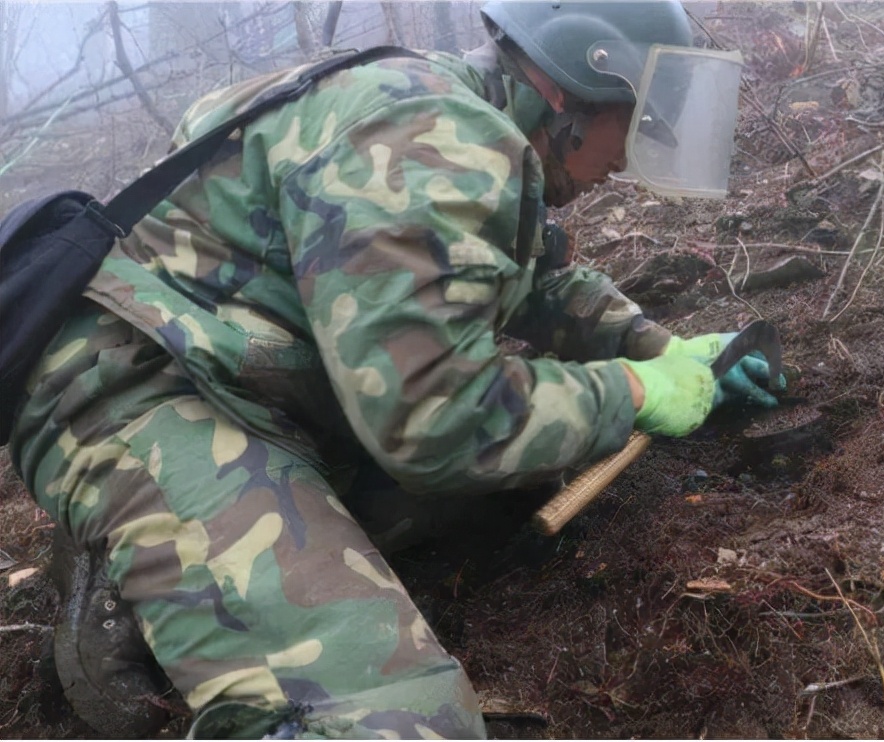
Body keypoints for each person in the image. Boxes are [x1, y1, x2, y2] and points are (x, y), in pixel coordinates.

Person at [8, 1, 783, 738]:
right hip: (139, 395)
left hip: (248, 380)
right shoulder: (433, 131)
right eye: (638, 120)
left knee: (508, 492)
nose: (633, 157)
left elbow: (529, 276)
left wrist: (655, 345)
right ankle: (156, 538)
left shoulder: (449, 109)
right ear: (574, 84)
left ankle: (164, 565)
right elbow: (436, 420)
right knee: (391, 721)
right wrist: (637, 391)